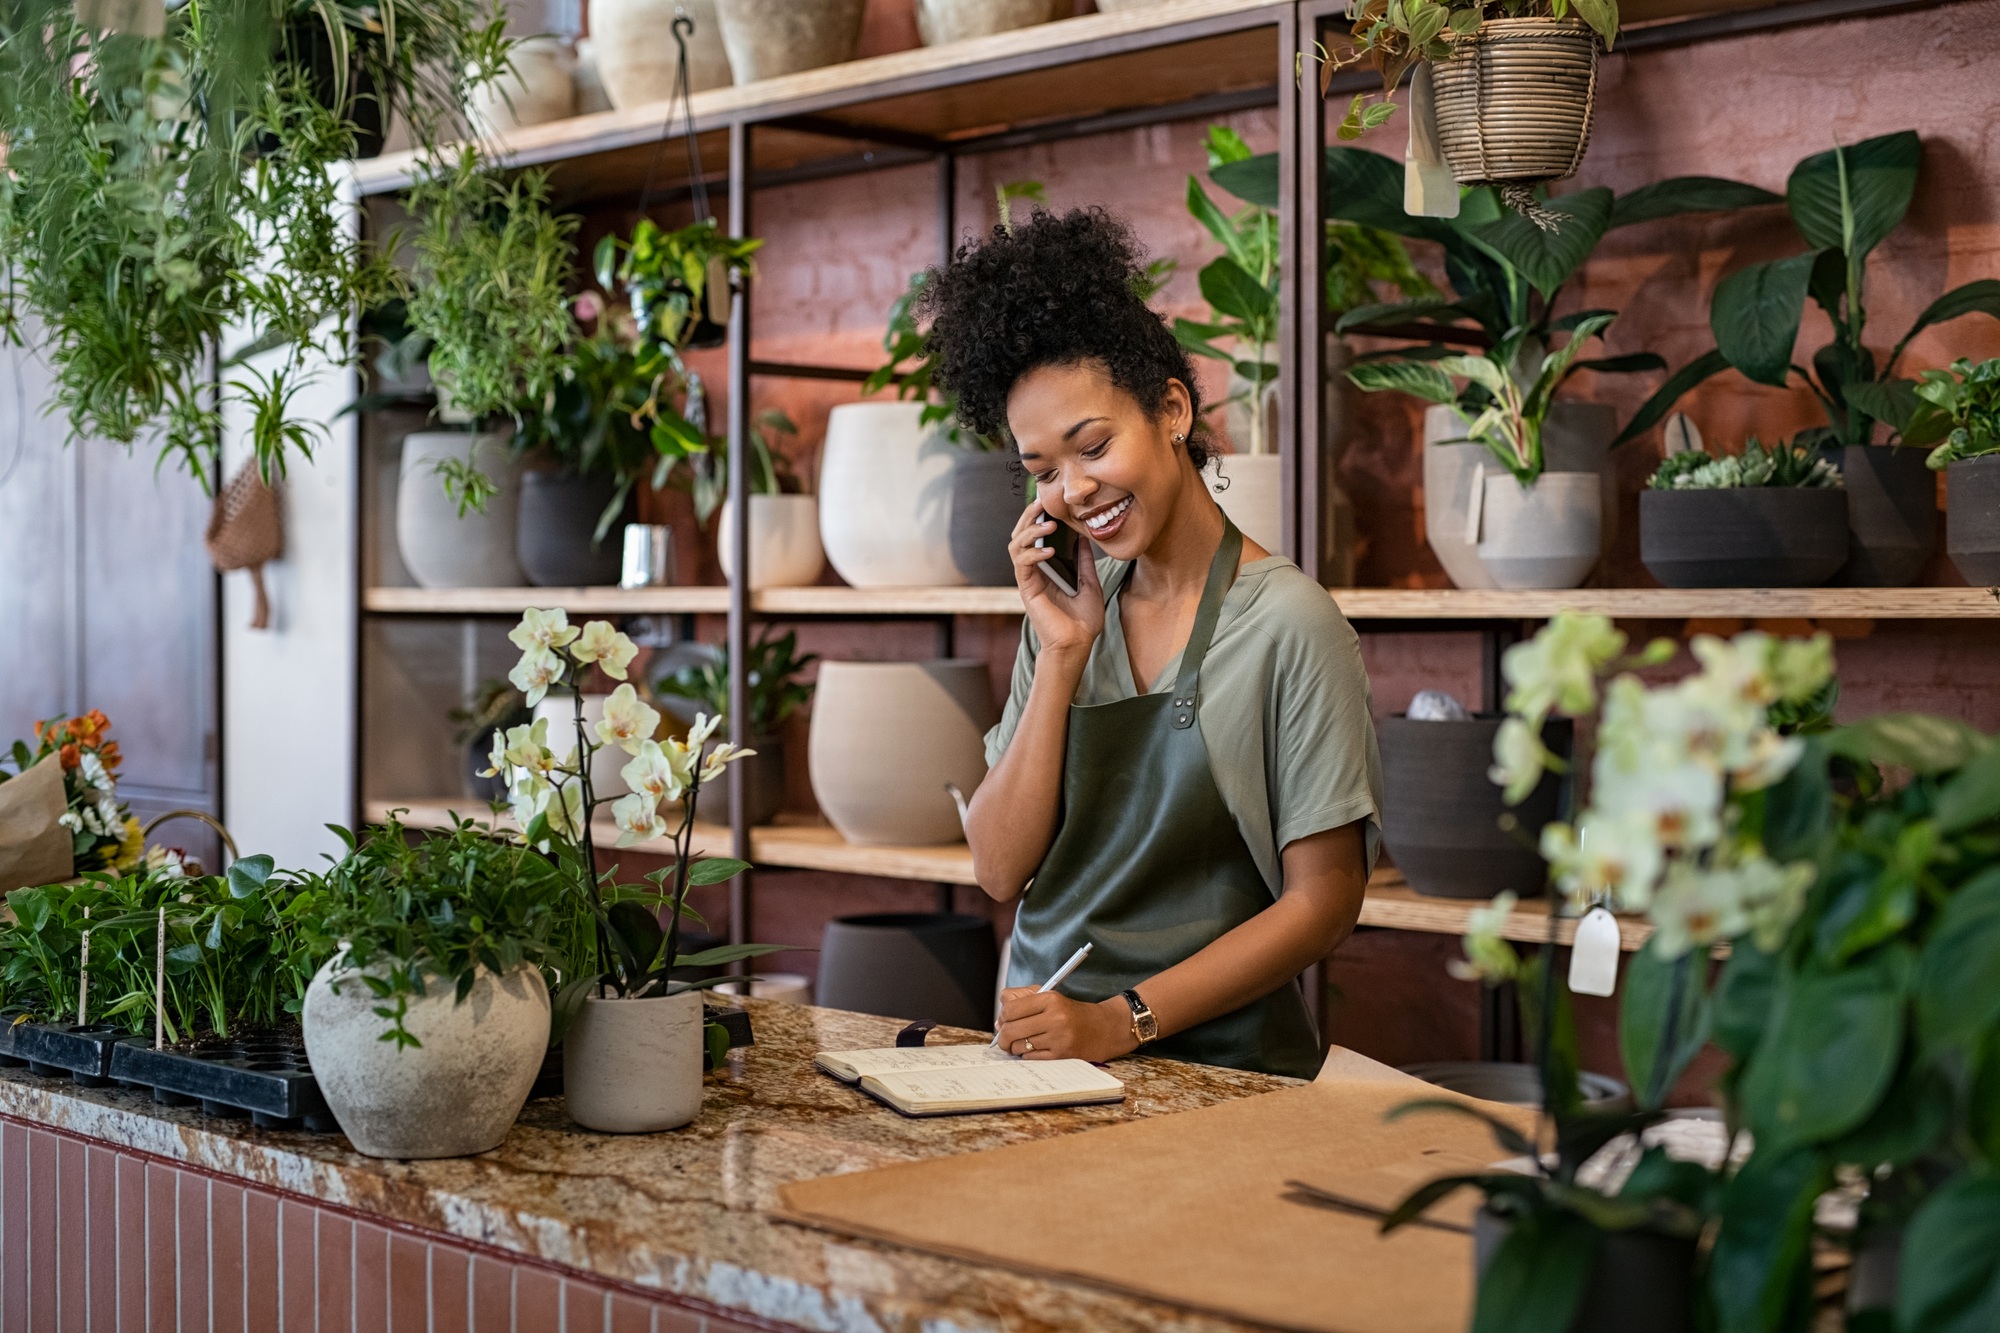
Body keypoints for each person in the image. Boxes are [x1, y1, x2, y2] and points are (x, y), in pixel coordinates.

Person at [925, 207, 1383, 1082]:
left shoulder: (1291, 624)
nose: (1074, 490)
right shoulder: (1064, 615)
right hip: (1041, 1063)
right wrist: (1061, 654)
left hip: (1220, 1072)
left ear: (1172, 408)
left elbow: (1325, 903)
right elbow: (996, 866)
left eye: (1093, 446)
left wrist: (1119, 1020)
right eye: (1044, 470)